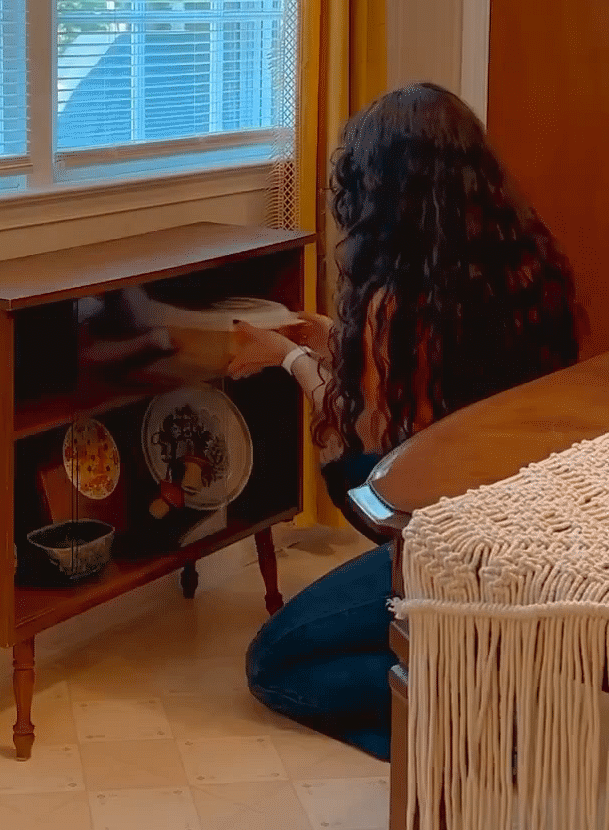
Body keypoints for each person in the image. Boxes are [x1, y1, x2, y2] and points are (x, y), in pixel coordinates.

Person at [230, 83, 583, 761]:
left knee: (274, 666)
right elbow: (442, 387)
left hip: (446, 551)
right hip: (518, 534)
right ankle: (491, 679)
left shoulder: (397, 300)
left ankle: (473, 731)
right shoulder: (529, 262)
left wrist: (291, 360)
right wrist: (335, 338)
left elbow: (370, 453)